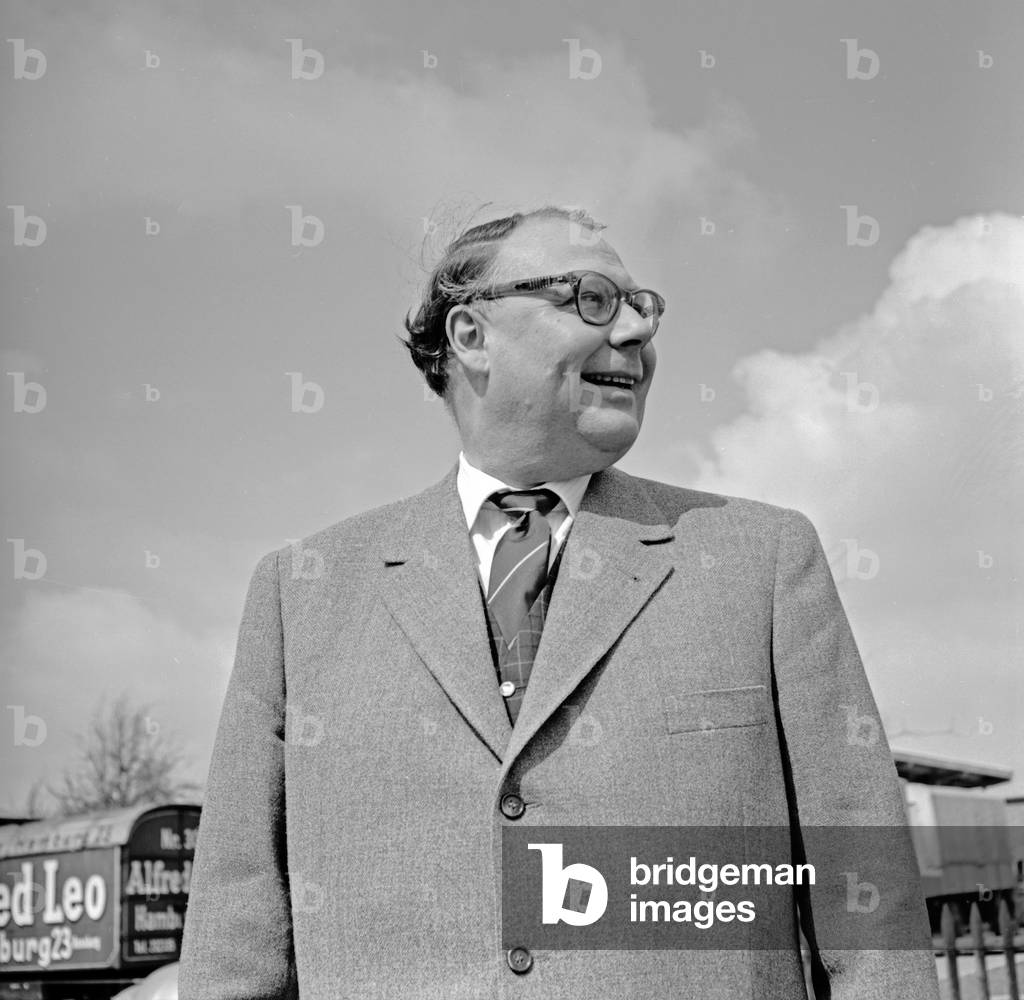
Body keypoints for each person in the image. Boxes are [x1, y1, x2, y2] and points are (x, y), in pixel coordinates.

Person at [179, 205, 940, 998]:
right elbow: (234, 941)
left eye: (643, 305)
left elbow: (871, 911)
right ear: (471, 335)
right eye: (592, 298)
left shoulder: (764, 559)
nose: (638, 333)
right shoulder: (299, 595)